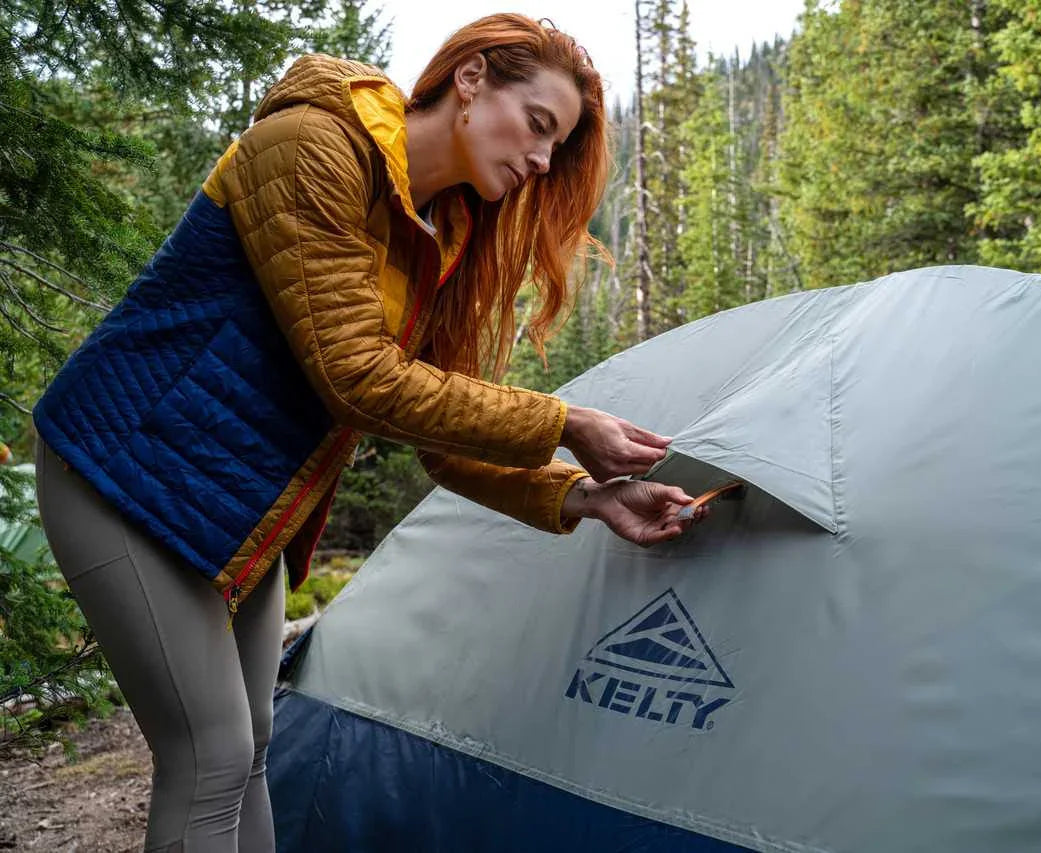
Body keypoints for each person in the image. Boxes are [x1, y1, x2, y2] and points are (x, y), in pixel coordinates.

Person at [32, 14, 699, 852]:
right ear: (471, 79)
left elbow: (443, 436)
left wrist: (587, 494)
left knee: (253, 751)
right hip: (120, 468)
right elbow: (356, 377)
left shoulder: (441, 231)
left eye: (553, 150)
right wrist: (566, 422)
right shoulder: (315, 144)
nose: (538, 162)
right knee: (210, 753)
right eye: (537, 126)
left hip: (237, 506)